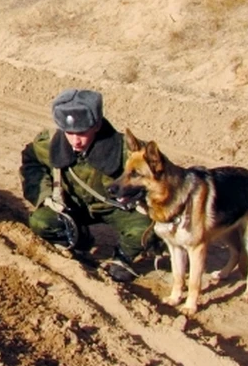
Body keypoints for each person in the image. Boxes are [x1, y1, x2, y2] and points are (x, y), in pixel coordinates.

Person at [20, 88, 155, 283]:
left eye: (82, 132)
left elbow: (162, 179)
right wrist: (45, 195)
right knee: (41, 221)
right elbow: (31, 163)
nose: (76, 141)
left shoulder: (130, 150)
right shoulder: (47, 144)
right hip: (73, 206)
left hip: (117, 208)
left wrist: (141, 195)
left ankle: (123, 258)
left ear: (97, 125)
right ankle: (79, 240)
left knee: (149, 227)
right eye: (69, 133)